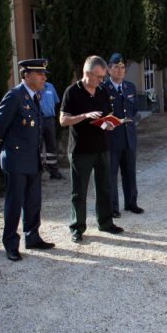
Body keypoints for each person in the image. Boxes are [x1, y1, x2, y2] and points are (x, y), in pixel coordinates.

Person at [0, 59, 55, 261]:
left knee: (33, 200)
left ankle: (32, 236)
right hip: (17, 160)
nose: (44, 77)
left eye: (44, 74)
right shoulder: (15, 96)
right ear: (26, 75)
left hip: (33, 159)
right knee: (14, 203)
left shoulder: (34, 96)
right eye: (40, 74)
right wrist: (2, 153)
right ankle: (10, 243)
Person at [60, 55, 124, 243]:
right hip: (81, 150)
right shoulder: (72, 92)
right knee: (79, 191)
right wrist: (84, 115)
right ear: (86, 73)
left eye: (102, 77)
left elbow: (108, 114)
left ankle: (105, 223)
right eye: (98, 77)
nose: (100, 81)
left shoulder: (102, 91)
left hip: (102, 147)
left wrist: (110, 123)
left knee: (105, 187)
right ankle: (77, 227)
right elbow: (63, 120)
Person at [104, 53, 143, 218]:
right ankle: (113, 208)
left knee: (130, 172)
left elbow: (135, 111)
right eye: (116, 67)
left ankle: (131, 203)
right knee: (111, 175)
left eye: (122, 67)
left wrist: (135, 120)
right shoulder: (103, 89)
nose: (120, 70)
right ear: (108, 70)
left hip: (129, 137)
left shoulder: (130, 87)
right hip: (112, 139)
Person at [39, 81, 63, 180]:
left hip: (50, 119)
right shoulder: (34, 87)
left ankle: (53, 171)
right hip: (37, 119)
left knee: (52, 146)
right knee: (38, 146)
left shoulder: (50, 86)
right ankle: (38, 172)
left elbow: (56, 101)